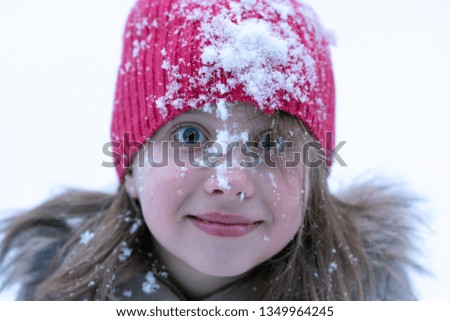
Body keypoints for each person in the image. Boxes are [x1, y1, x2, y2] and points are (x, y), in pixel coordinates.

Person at [0, 0, 420, 300]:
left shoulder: (372, 298)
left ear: (313, 178)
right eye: (190, 137)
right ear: (130, 167)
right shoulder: (50, 294)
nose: (229, 182)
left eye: (271, 143)